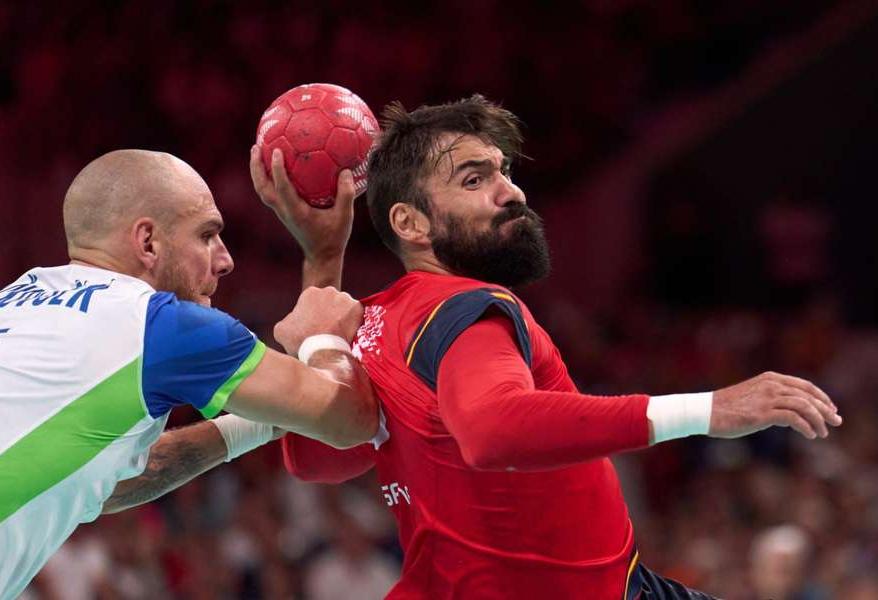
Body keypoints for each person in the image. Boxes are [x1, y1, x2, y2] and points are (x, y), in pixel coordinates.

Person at [250, 96, 842, 599]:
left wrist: (323, 269)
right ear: (411, 224)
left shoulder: (375, 323)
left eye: (504, 171)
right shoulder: (462, 305)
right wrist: (710, 409)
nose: (511, 192)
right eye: (475, 179)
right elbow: (493, 429)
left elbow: (321, 456)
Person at [0, 149, 378, 600]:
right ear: (147, 242)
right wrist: (322, 336)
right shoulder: (159, 325)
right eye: (207, 235)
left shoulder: (2, 306)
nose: (225, 260)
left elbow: (101, 484)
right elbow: (349, 417)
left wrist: (263, 420)